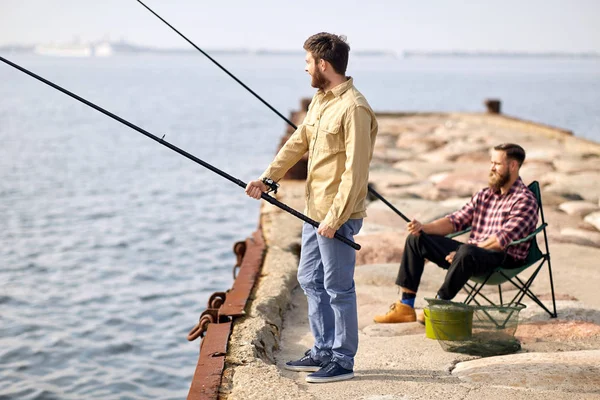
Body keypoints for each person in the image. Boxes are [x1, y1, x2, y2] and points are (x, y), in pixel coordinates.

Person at [245, 32, 378, 383]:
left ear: (323, 64)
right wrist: (268, 178)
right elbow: (297, 141)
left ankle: (342, 359)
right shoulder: (321, 101)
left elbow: (355, 172)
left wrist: (335, 219)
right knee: (309, 279)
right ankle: (322, 350)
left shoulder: (355, 108)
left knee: (338, 288)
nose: (305, 68)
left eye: (308, 62)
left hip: (338, 216)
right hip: (311, 211)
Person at [373, 143, 538, 323]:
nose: (491, 168)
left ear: (513, 166)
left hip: (503, 258)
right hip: (473, 253)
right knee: (416, 239)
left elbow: (501, 241)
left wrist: (463, 251)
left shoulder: (524, 200)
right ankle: (405, 306)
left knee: (467, 252)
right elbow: (455, 221)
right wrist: (423, 227)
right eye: (491, 162)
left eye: (497, 164)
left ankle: (438, 306)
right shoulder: (485, 195)